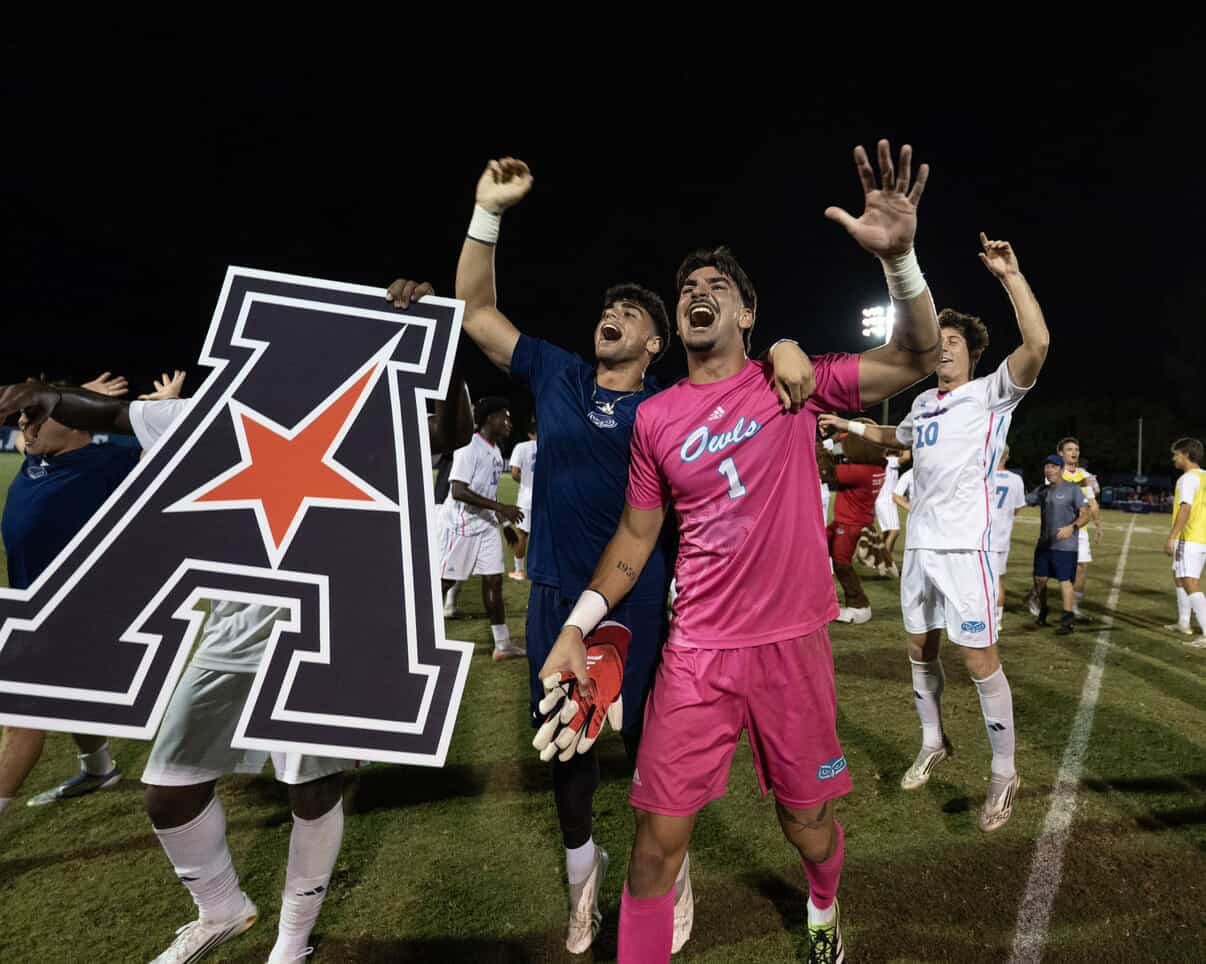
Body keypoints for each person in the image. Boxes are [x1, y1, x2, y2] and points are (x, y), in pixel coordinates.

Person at [538, 139, 941, 962]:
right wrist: (581, 621)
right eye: (688, 287)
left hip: (792, 646)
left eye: (718, 287)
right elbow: (638, 534)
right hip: (698, 653)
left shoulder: (790, 382)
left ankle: (823, 905)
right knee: (655, 844)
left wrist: (899, 263)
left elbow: (917, 358)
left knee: (808, 823)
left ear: (748, 316)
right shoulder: (655, 420)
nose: (699, 293)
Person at [436, 155, 817, 954]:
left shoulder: (670, 412)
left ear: (655, 343)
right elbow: (474, 310)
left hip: (641, 603)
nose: (614, 311)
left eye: (633, 310)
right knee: (567, 753)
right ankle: (584, 886)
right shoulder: (561, 375)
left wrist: (782, 346)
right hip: (552, 593)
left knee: (653, 758)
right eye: (610, 305)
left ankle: (669, 879)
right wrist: (487, 214)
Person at [819, 232, 1050, 834]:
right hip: (919, 547)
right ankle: (934, 741)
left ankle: (1004, 772)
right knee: (918, 649)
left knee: (978, 659)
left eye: (952, 344)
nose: (943, 352)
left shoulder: (991, 395)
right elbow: (900, 439)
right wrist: (848, 422)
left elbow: (1038, 342)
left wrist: (1010, 275)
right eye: (938, 344)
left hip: (963, 548)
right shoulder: (923, 405)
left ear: (971, 354)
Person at [437, 396, 526, 660]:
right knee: (444, 582)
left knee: (494, 580)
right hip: (460, 526)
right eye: (504, 417)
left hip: (485, 526)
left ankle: (503, 645)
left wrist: (506, 525)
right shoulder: (468, 447)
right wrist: (501, 509)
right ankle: (412, 631)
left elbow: (488, 492)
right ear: (489, 419)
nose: (509, 423)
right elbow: (458, 490)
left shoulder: (495, 451)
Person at [1027, 455, 1092, 635]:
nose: (1049, 470)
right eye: (1047, 467)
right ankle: (1044, 609)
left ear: (1061, 469)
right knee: (1040, 580)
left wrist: (1073, 527)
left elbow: (1086, 515)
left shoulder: (1073, 490)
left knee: (1065, 581)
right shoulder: (1042, 490)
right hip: (1044, 544)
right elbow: (1023, 500)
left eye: (1054, 467)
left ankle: (1067, 619)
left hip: (1065, 545)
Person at [1164, 437, 1206, 646]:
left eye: (1176, 454)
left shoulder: (1187, 478)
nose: (1174, 458)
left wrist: (1172, 536)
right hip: (1202, 538)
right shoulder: (1204, 477)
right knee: (1179, 576)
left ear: (1187, 455)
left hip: (1190, 537)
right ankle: (1183, 622)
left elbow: (1186, 508)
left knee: (1190, 582)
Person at [508, 418, 538, 580]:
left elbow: (514, 473)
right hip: (545, 500)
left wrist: (526, 482)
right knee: (543, 536)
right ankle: (539, 571)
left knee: (522, 535)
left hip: (526, 498)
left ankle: (519, 571)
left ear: (529, 433)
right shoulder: (550, 445)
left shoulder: (521, 447)